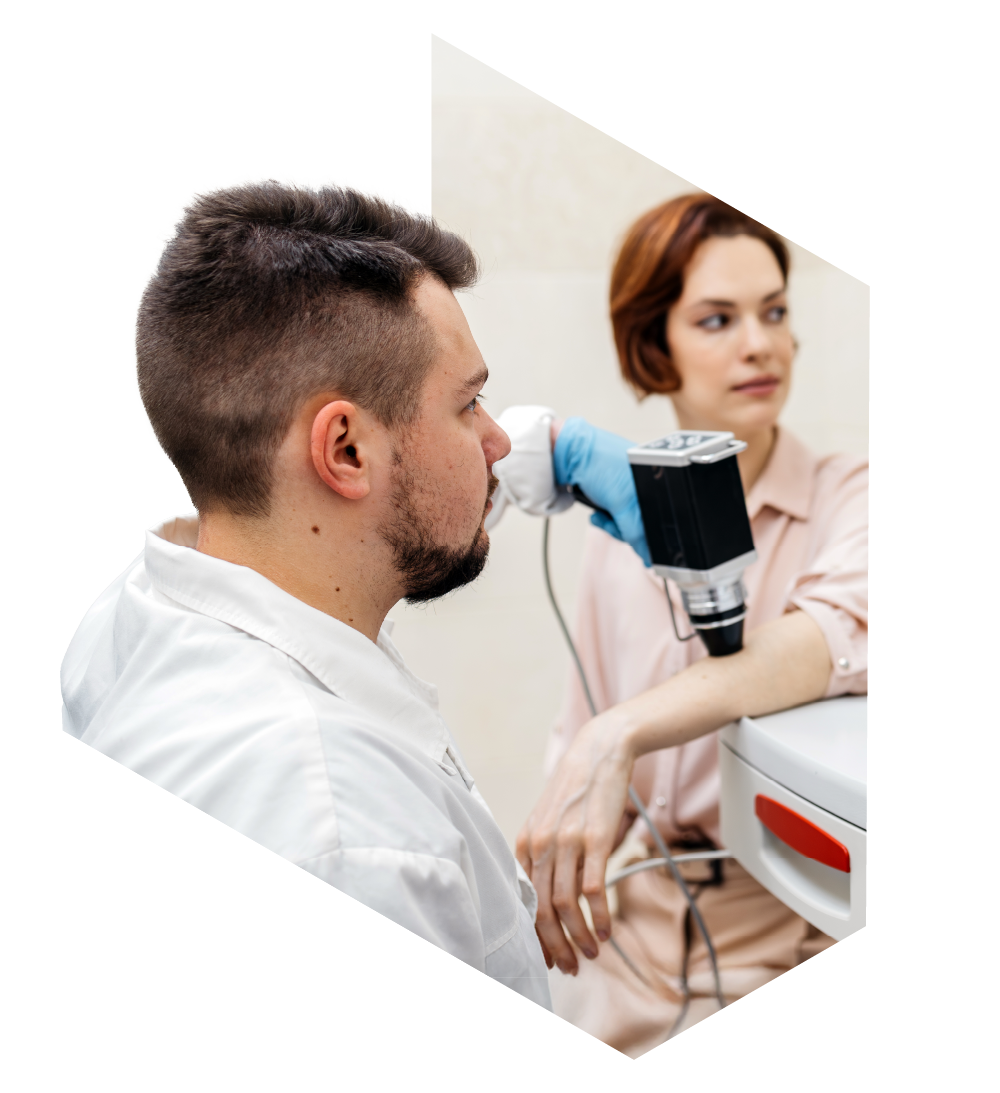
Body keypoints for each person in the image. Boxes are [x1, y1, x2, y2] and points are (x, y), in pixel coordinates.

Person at [60, 178, 554, 1043]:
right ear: (346, 449)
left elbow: (414, 501)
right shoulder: (345, 832)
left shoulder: (139, 615)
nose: (498, 440)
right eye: (468, 403)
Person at [492, 195, 884, 1049]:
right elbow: (579, 755)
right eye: (717, 319)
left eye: (774, 312)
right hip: (630, 927)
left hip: (783, 933)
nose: (760, 344)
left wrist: (617, 733)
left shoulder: (849, 499)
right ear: (654, 345)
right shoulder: (616, 529)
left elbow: (823, 641)